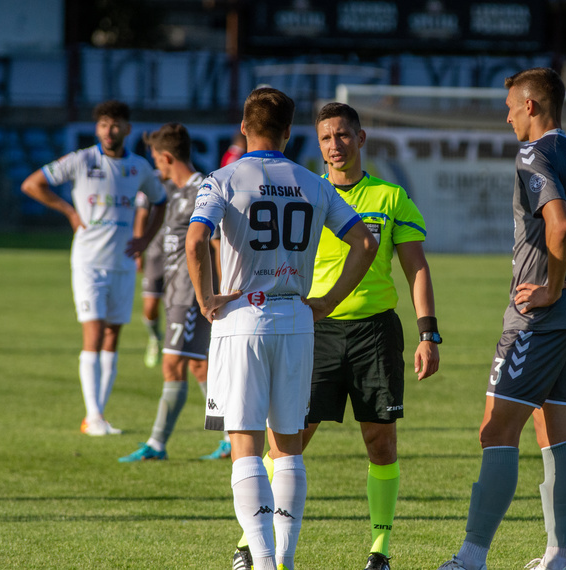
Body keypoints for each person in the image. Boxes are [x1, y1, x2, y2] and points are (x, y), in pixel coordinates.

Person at [436, 68, 566, 570]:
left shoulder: (535, 154)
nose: (506, 116)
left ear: (531, 106)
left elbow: (560, 223)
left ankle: (471, 558)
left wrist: (551, 287)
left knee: (496, 430)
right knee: (556, 433)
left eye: (510, 106)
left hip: (540, 316)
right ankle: (558, 556)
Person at [234, 102, 441, 570]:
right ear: (317, 143)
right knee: (288, 438)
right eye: (326, 138)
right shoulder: (306, 192)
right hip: (313, 330)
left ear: (361, 138)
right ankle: (253, 540)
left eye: (343, 135)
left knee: (380, 441)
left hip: (375, 333)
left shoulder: (391, 198)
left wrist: (429, 333)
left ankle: (379, 549)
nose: (335, 145)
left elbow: (417, 269)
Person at [186, 87, 378, 570]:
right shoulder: (314, 184)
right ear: (290, 134)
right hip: (296, 318)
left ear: (244, 128)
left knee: (245, 442)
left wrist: (207, 298)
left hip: (242, 319)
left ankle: (264, 561)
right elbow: (366, 243)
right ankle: (287, 559)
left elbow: (195, 242)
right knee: (288, 444)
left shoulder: (224, 178)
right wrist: (328, 302)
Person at [21, 100, 167, 436]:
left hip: (123, 263)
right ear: (97, 128)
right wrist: (70, 212)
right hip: (88, 262)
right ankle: (93, 415)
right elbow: (32, 184)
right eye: (102, 124)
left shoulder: (139, 167)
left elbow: (160, 202)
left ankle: (98, 415)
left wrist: (144, 240)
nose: (108, 130)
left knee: (113, 335)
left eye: (115, 124)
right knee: (94, 332)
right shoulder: (82, 160)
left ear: (127, 129)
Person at [118, 122, 228, 462]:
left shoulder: (202, 189)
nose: (155, 167)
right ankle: (229, 437)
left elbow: (217, 242)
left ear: (167, 157)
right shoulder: (172, 192)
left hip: (190, 296)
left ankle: (157, 444)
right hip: (176, 292)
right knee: (198, 367)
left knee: (172, 365)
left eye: (156, 159)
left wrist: (217, 291)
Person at [134, 190, 168, 368]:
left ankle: (175, 350)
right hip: (155, 254)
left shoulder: (192, 180)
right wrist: (139, 249)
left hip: (181, 255)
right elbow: (142, 215)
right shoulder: (152, 183)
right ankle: (155, 337)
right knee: (150, 307)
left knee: (176, 308)